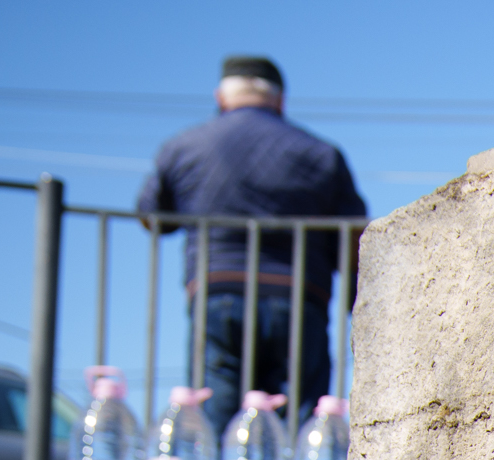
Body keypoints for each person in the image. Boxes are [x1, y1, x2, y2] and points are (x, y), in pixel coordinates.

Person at [138, 55, 367, 428]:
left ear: (221, 96)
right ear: (279, 99)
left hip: (216, 289)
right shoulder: (320, 153)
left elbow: (152, 217)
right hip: (298, 296)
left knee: (216, 413)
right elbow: (355, 238)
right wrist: (359, 307)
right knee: (299, 418)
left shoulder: (182, 147)